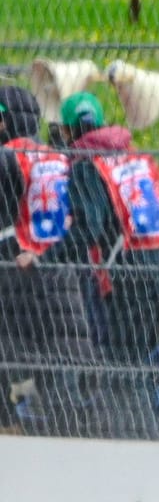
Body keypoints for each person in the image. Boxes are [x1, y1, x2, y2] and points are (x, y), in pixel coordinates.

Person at [37, 91, 159, 440]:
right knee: (133, 369)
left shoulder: (87, 167)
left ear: (71, 131)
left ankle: (137, 452)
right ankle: (133, 444)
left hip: (134, 282)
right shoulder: (135, 159)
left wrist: (43, 259)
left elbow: (86, 230)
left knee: (124, 373)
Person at [0, 84, 100, 435]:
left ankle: (10, 431)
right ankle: (69, 454)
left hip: (14, 285)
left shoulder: (6, 158)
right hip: (63, 283)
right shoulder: (60, 158)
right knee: (59, 384)